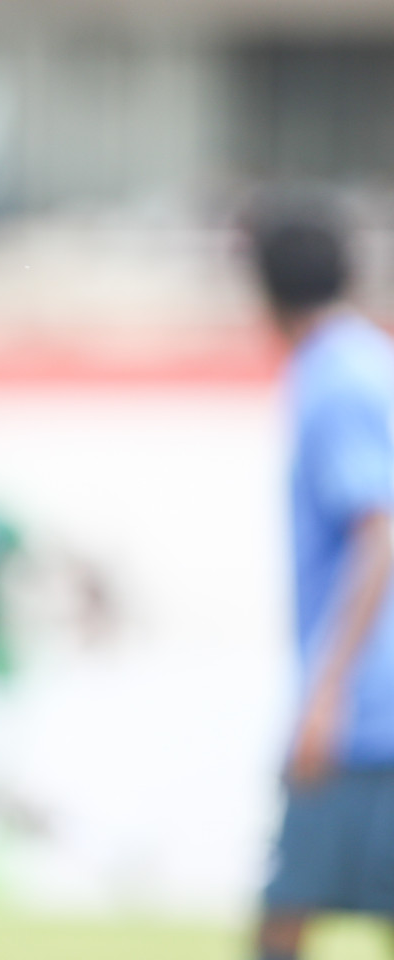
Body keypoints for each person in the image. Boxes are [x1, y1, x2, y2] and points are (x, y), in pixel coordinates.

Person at [247, 198, 394, 960]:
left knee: (284, 918)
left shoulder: (334, 377)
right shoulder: (369, 358)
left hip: (370, 721)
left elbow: (378, 533)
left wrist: (327, 695)